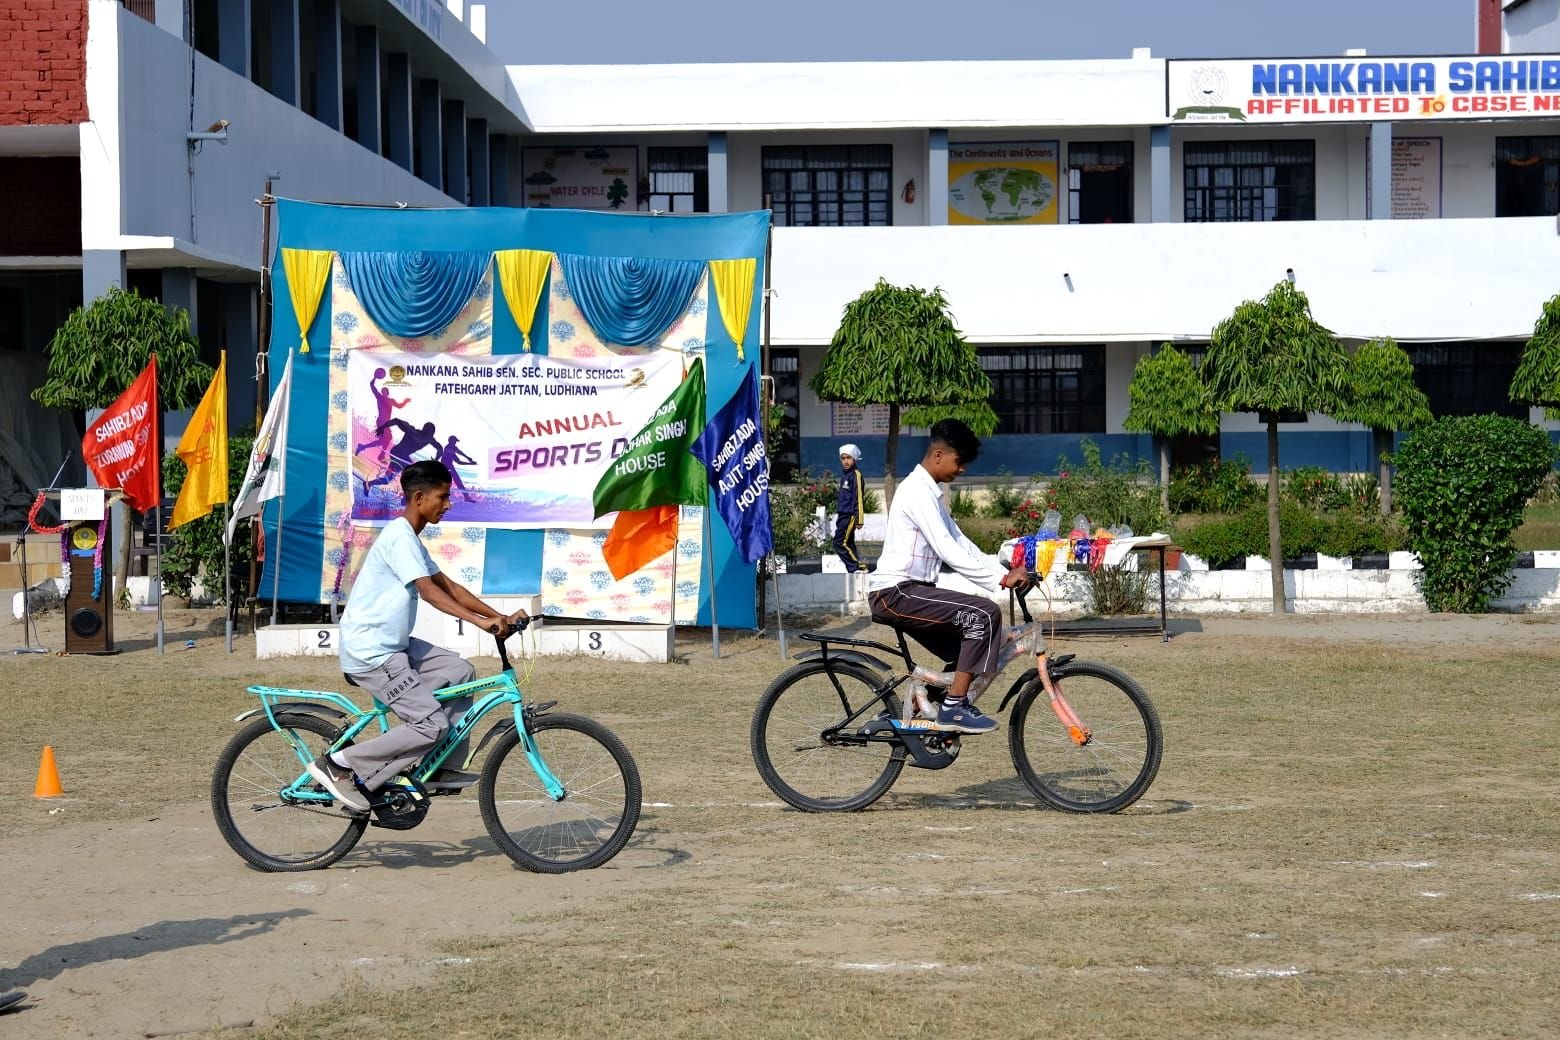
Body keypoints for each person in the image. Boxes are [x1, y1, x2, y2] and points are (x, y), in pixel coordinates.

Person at [308, 460, 527, 813]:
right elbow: (429, 593)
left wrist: (497, 617)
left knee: (460, 671)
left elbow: (450, 588)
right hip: (372, 653)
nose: (448, 504)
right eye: (443, 497)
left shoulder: (410, 539)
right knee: (429, 724)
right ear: (420, 498)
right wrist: (479, 623)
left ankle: (440, 766)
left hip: (394, 646)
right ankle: (338, 765)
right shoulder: (399, 538)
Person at [867, 419, 1030, 735]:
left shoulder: (931, 494)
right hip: (895, 592)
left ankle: (916, 713)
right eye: (960, 461)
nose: (963, 469)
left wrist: (1004, 569)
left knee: (976, 648)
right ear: (938, 455)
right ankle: (954, 708)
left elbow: (960, 542)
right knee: (984, 614)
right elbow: (947, 549)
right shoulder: (916, 491)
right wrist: (1000, 580)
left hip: (913, 591)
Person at [833, 443, 867, 573]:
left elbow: (859, 497)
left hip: (850, 515)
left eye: (849, 458)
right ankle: (858, 568)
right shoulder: (845, 475)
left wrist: (859, 518)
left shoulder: (855, 475)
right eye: (843, 458)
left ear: (854, 459)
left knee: (839, 542)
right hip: (842, 515)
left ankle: (855, 567)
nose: (846, 461)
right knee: (848, 543)